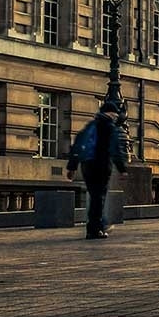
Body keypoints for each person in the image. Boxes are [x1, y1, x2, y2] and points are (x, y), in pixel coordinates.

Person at [66, 99, 128, 240]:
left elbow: (77, 145)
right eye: (115, 114)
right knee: (98, 197)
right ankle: (96, 228)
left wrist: (72, 167)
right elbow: (115, 149)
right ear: (110, 113)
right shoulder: (109, 126)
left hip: (86, 165)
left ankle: (95, 227)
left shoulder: (90, 126)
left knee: (94, 196)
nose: (116, 116)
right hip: (101, 164)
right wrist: (122, 168)